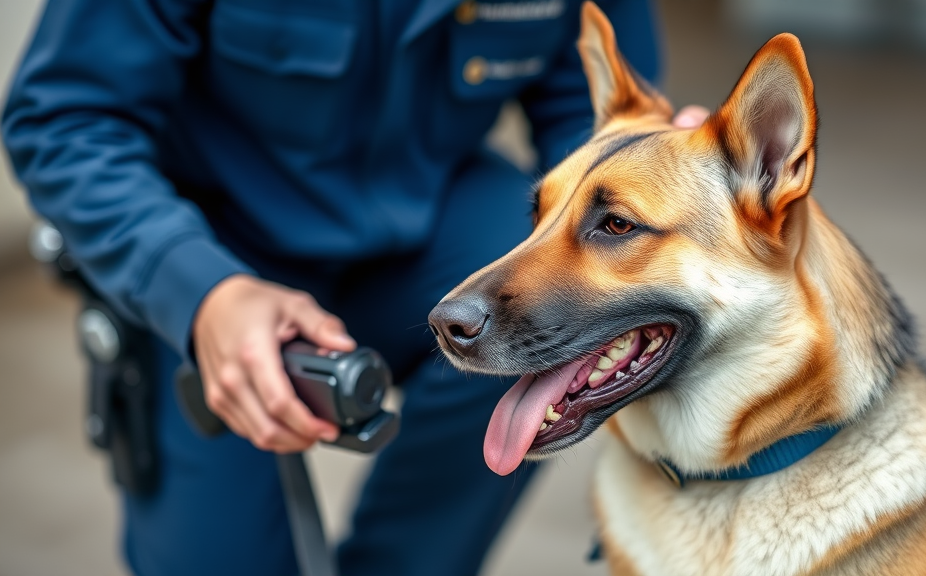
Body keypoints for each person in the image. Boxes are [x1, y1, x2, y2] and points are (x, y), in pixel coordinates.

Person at [2, 1, 708, 574]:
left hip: (430, 238)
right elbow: (64, 117)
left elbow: (587, 123)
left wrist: (664, 172)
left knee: (549, 285)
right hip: (213, 256)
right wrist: (198, 291)